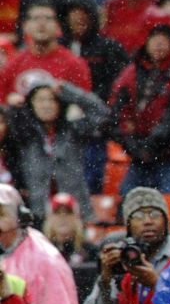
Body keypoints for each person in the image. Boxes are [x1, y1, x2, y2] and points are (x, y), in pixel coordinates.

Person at [109, 10, 170, 194]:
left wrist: (151, 144)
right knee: (127, 204)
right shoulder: (130, 74)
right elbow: (117, 113)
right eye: (154, 37)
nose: (159, 43)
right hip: (140, 158)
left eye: (165, 38)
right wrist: (131, 145)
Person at [9, 78, 107, 222]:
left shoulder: (73, 130)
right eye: (40, 100)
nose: (46, 105)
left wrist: (69, 92)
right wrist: (13, 107)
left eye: (52, 100)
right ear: (31, 104)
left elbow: (101, 114)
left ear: (60, 104)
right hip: (38, 215)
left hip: (76, 213)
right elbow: (6, 124)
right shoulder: (25, 135)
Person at [0, 0, 91, 103]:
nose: (42, 23)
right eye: (36, 18)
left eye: (48, 18)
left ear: (58, 26)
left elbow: (85, 105)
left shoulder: (74, 64)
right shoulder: (12, 65)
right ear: (25, 26)